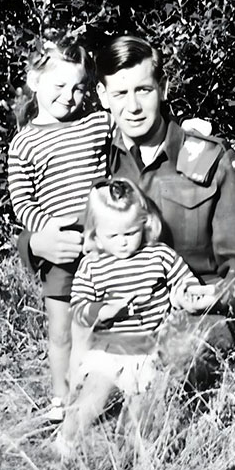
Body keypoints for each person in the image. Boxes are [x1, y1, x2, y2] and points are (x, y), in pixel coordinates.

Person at [18, 35, 235, 387]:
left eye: (143, 90)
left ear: (162, 88)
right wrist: (33, 244)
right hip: (123, 321)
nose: (132, 107)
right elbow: (55, 208)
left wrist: (213, 295)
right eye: (120, 94)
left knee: (169, 368)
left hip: (194, 318)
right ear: (103, 96)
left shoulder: (209, 162)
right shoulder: (96, 158)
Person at [56, 176, 201, 452]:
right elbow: (79, 308)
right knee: (93, 397)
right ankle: (65, 443)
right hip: (111, 350)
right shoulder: (93, 265)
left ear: (145, 224)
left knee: (141, 414)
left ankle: (135, 457)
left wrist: (187, 295)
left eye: (130, 233)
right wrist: (103, 310)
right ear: (96, 234)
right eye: (113, 236)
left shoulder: (158, 255)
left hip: (151, 351)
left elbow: (184, 281)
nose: (123, 242)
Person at [8, 41, 112, 421]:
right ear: (35, 82)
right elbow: (22, 202)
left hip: (103, 240)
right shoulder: (24, 143)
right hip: (62, 247)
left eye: (79, 87)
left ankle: (102, 390)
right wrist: (46, 234)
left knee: (104, 320)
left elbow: (136, 120)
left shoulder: (95, 123)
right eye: (59, 86)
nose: (69, 97)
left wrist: (186, 128)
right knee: (61, 330)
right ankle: (60, 397)